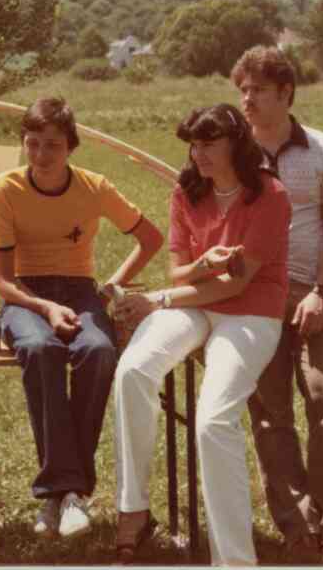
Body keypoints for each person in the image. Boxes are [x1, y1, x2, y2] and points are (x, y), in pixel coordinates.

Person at [113, 104, 291, 566]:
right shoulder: (186, 192)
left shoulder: (271, 194)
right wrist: (201, 264)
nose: (198, 154)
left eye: (208, 144)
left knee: (213, 422)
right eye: (193, 145)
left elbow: (238, 283)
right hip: (194, 302)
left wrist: (161, 299)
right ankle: (133, 507)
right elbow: (178, 271)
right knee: (133, 369)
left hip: (250, 313)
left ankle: (234, 561)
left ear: (237, 144)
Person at [0, 97, 163, 538]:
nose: (42, 155)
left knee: (99, 351)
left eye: (53, 145)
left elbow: (151, 238)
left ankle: (64, 494)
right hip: (27, 295)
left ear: (71, 147)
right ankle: (65, 493)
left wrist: (107, 288)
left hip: (81, 290)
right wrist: (45, 307)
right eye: (33, 144)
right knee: (38, 346)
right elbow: (4, 282)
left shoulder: (94, 187)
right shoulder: (5, 189)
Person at [232, 46, 323, 563]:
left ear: (286, 94)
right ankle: (295, 524)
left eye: (257, 89)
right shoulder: (231, 151)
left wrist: (322, 294)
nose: (247, 99)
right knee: (270, 413)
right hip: (254, 301)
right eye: (242, 89)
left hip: (315, 292)